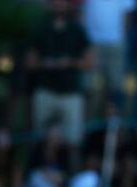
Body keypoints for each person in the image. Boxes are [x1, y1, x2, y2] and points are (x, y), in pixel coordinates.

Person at [26, 0, 93, 150]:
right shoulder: (41, 28)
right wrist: (46, 63)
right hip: (45, 91)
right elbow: (30, 62)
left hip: (71, 93)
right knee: (40, 140)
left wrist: (69, 63)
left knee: (73, 142)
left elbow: (89, 62)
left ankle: (73, 171)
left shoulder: (77, 30)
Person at [82, 0, 136, 111]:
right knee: (90, 87)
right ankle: (90, 123)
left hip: (116, 42)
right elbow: (82, 9)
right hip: (93, 42)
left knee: (116, 87)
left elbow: (128, 14)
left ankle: (114, 124)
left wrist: (121, 37)